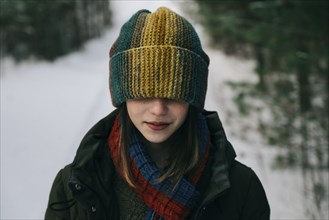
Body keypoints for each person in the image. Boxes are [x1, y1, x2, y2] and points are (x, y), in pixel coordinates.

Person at [45, 7, 270, 220]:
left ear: (193, 99)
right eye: (143, 94)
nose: (158, 109)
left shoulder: (241, 189)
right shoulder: (74, 187)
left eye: (174, 95)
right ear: (123, 96)